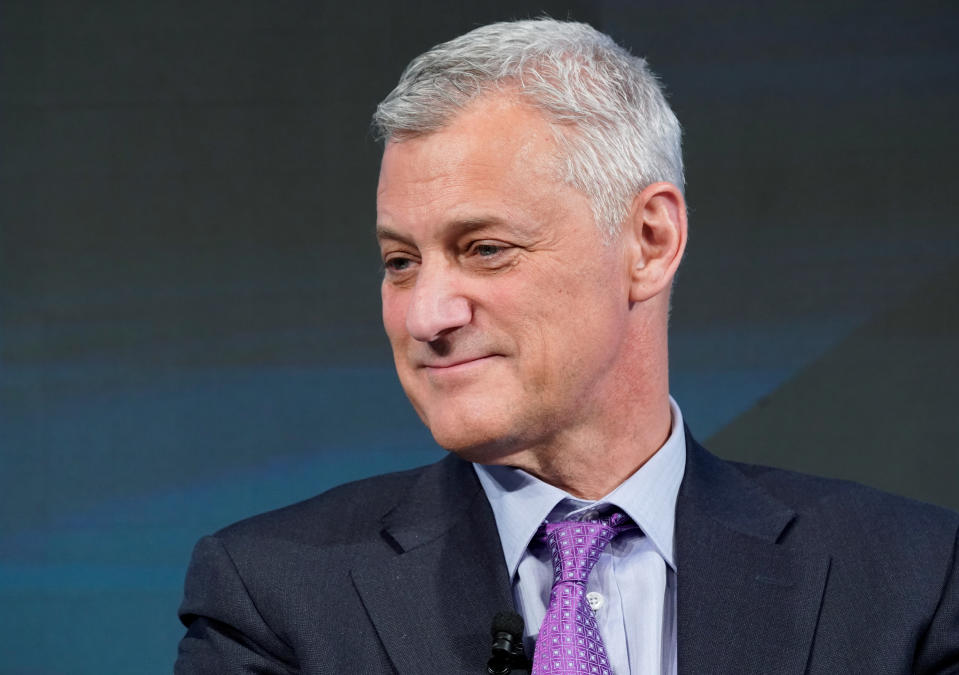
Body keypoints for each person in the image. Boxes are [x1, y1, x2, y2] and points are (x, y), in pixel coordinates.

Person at [174, 19, 959, 675]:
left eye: (484, 248)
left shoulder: (911, 582)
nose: (425, 314)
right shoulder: (275, 595)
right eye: (400, 262)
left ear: (648, 241)